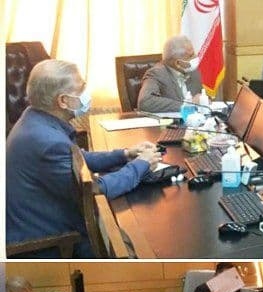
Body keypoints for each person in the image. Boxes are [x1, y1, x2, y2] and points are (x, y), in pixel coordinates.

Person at [6, 59, 161, 258]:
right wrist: (142, 164)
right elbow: (95, 190)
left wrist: (125, 154)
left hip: (45, 216)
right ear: (63, 101)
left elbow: (77, 158)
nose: (86, 94)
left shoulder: (35, 118)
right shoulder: (47, 142)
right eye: (81, 89)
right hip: (48, 243)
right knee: (137, 243)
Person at [137, 35, 204, 113]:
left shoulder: (194, 70)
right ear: (178, 63)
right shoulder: (156, 74)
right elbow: (145, 102)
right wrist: (187, 105)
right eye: (191, 56)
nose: (195, 57)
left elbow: (206, 96)